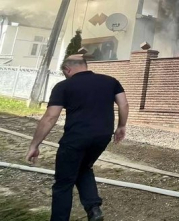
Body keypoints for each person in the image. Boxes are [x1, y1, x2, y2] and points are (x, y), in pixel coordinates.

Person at [26, 54, 129, 221]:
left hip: (76, 139)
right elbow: (123, 104)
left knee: (63, 183)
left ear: (68, 69)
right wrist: (121, 126)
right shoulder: (111, 81)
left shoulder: (63, 86)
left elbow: (50, 117)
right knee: (83, 168)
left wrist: (34, 145)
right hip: (102, 137)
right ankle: (94, 209)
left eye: (65, 73)